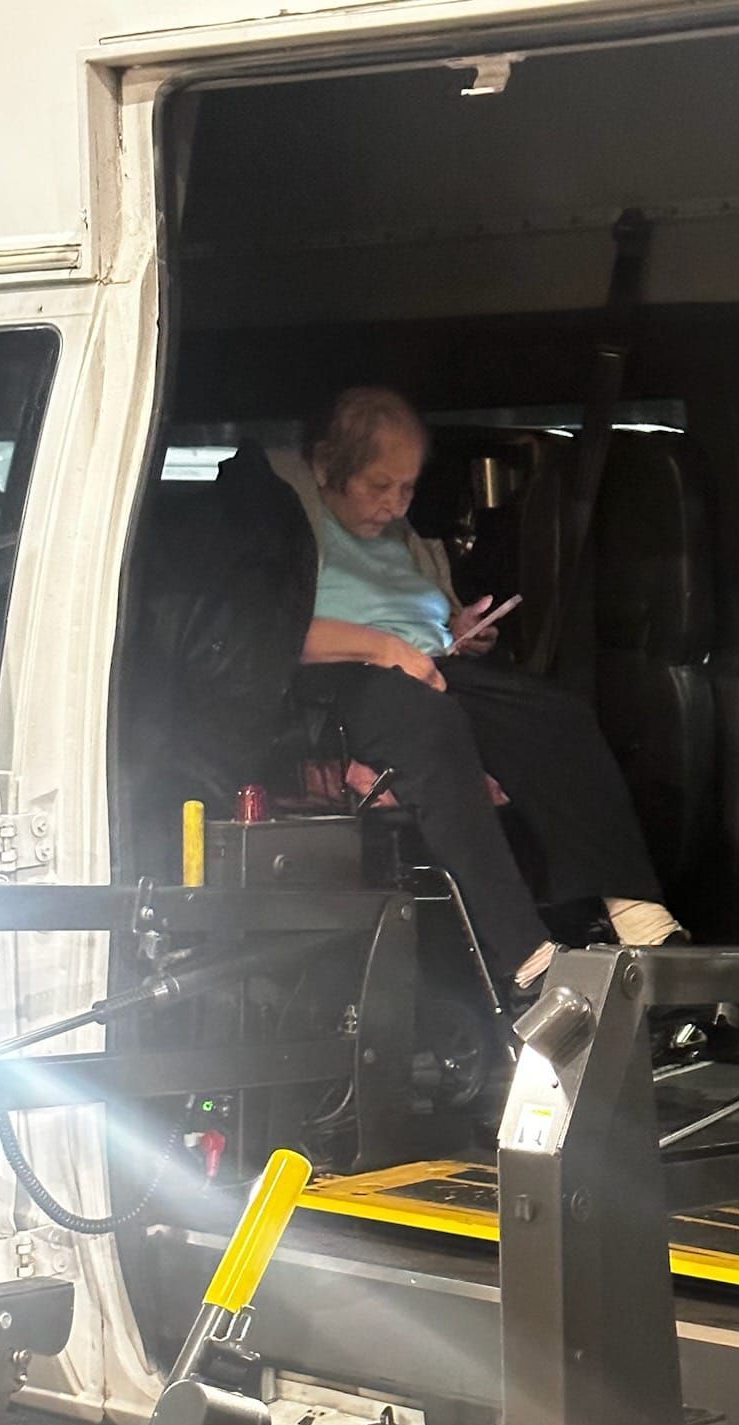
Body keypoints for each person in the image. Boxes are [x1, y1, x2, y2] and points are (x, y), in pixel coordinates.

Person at [269, 388, 683, 995]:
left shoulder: (402, 535)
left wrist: (454, 630)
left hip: (425, 665)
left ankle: (636, 911)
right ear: (330, 463)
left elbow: (410, 616)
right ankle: (522, 952)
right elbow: (270, 636)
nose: (394, 503)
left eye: (407, 487)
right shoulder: (291, 519)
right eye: (379, 486)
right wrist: (388, 648)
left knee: (556, 715)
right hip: (339, 675)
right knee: (434, 729)